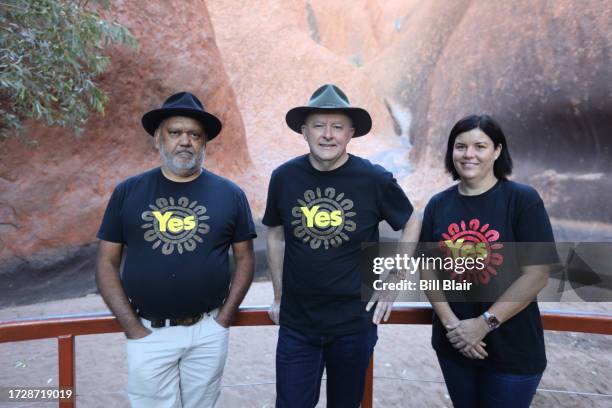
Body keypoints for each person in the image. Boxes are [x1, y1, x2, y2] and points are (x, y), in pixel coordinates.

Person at [95, 91, 256, 408]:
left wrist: (224, 319)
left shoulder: (231, 194)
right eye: (175, 133)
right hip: (149, 333)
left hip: (208, 331)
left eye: (195, 135)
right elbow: (106, 262)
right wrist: (132, 328)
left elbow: (245, 258)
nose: (185, 141)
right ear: (158, 139)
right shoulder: (128, 192)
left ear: (204, 143)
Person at [263, 84, 420, 407]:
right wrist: (278, 295)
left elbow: (412, 221)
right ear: (304, 131)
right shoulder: (284, 177)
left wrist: (394, 282)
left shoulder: (373, 179)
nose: (327, 135)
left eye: (337, 126)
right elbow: (276, 233)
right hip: (297, 326)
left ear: (350, 133)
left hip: (354, 325)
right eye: (319, 125)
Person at [420, 114, 558, 407]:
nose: (469, 154)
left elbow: (537, 275)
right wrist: (453, 327)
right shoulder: (438, 204)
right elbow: (427, 270)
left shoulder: (522, 200)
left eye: (480, 146)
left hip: (513, 349)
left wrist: (483, 324)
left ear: (497, 151)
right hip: (454, 345)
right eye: (460, 146)